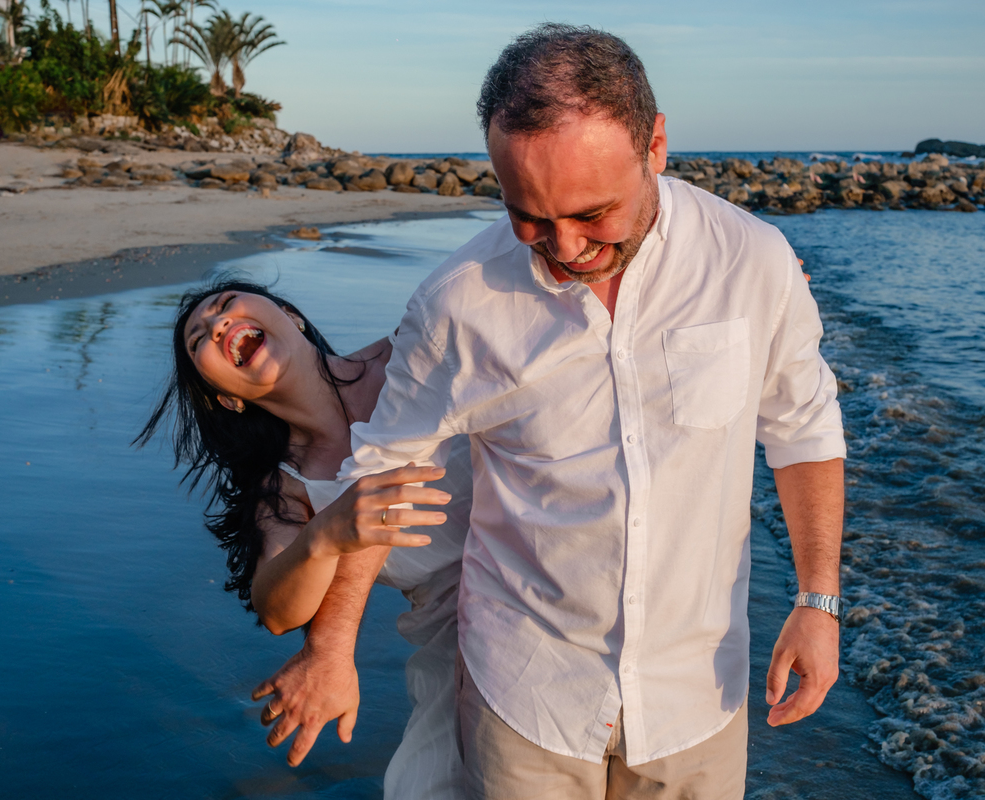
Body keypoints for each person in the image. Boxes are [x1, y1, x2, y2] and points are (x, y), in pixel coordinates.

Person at [255, 23, 848, 799]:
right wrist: (330, 649)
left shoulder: (753, 261)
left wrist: (817, 602)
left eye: (594, 213)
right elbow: (387, 473)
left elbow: (802, 428)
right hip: (528, 694)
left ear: (656, 145)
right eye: (529, 217)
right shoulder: (457, 303)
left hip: (699, 693)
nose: (564, 246)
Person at [136, 278, 470, 800]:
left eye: (224, 307)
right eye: (200, 338)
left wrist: (330, 648)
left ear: (289, 315)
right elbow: (276, 609)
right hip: (457, 651)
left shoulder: (406, 350)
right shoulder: (288, 487)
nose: (218, 323)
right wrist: (324, 536)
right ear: (227, 397)